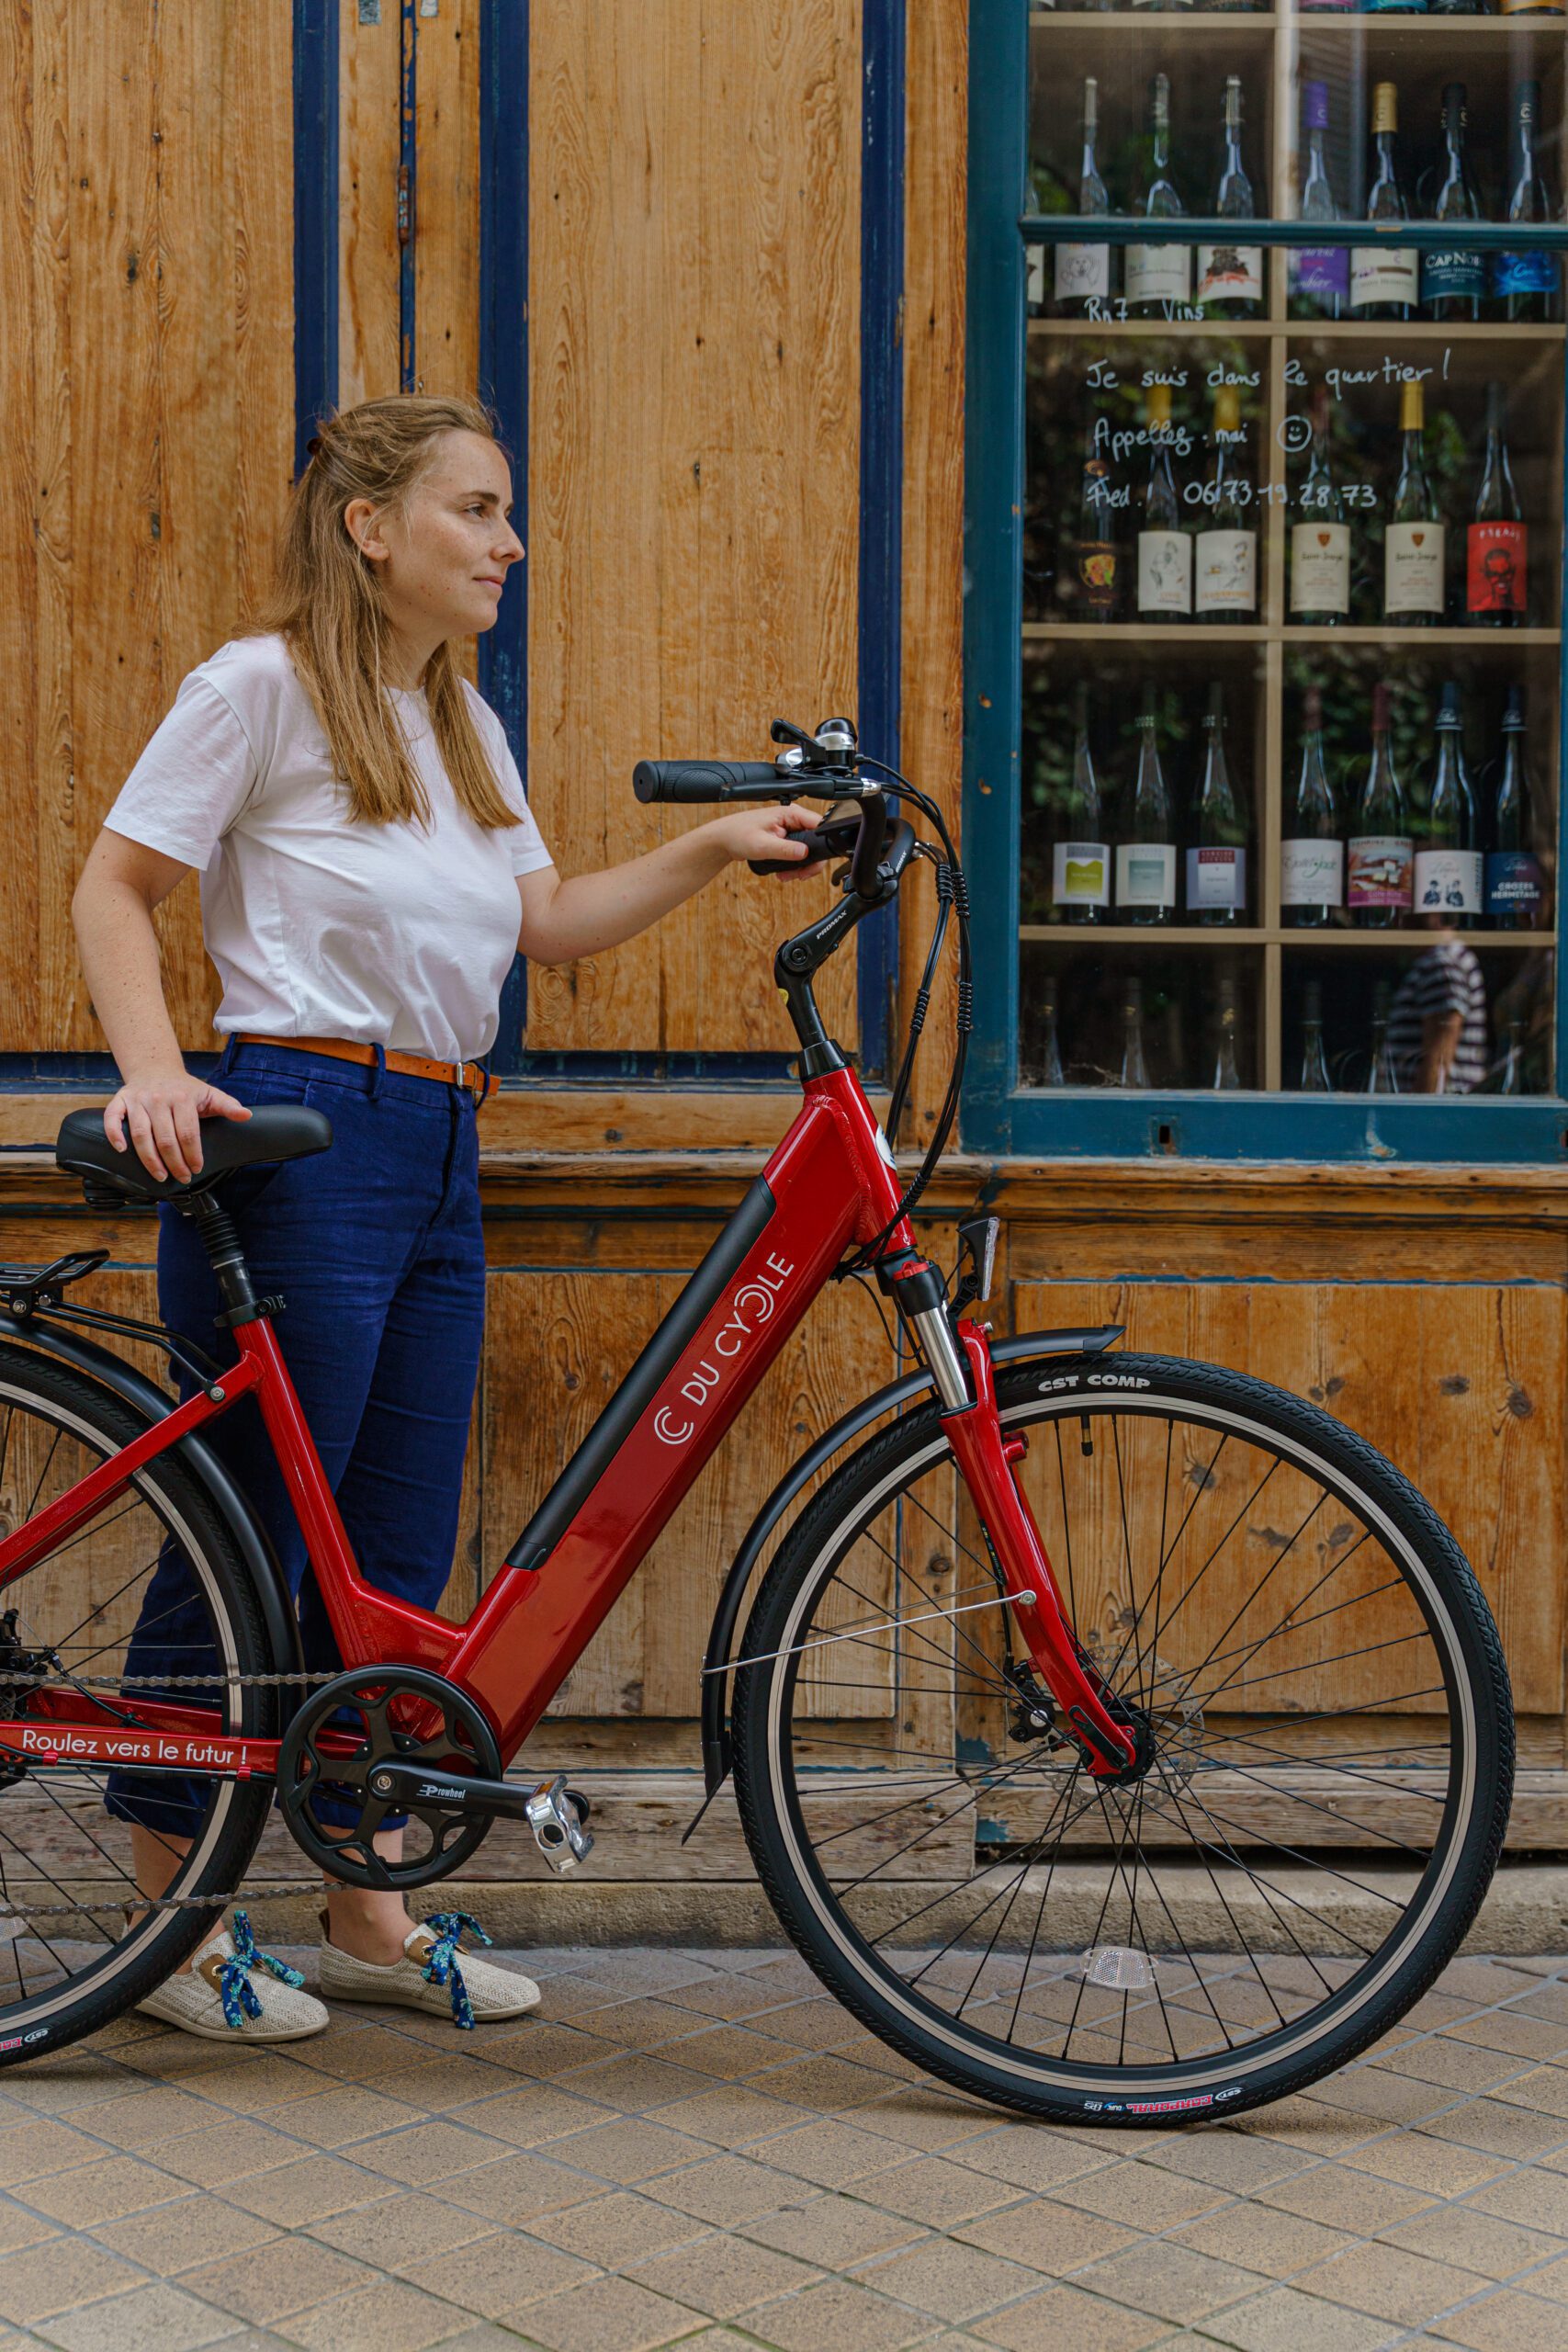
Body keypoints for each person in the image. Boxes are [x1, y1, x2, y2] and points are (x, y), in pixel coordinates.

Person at [70, 392, 818, 2040]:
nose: (509, 542)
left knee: (397, 1551)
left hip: (443, 1139)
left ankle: (368, 1908)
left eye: (505, 513)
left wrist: (704, 845)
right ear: (371, 527)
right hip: (303, 1131)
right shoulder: (255, 688)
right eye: (476, 511)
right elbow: (113, 884)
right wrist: (151, 1075)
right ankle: (165, 1933)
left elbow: (539, 924)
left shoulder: (464, 726)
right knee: (255, 1533)